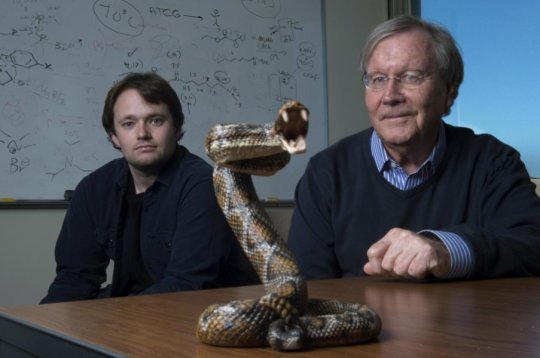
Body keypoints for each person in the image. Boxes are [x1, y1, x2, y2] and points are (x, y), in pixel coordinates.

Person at [288, 15, 540, 280]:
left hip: (464, 322)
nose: (390, 96)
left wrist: (448, 252)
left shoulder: (492, 162)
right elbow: (306, 285)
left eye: (410, 77)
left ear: (448, 93)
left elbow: (533, 246)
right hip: (362, 321)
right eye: (378, 79)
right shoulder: (326, 173)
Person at [41, 72, 258, 303]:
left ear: (176, 129)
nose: (143, 134)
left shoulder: (205, 185)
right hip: (131, 310)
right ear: (114, 136)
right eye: (128, 124)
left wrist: (109, 318)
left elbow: (185, 287)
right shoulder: (93, 189)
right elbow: (74, 279)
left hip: (203, 316)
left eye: (155, 120)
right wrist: (38, 329)